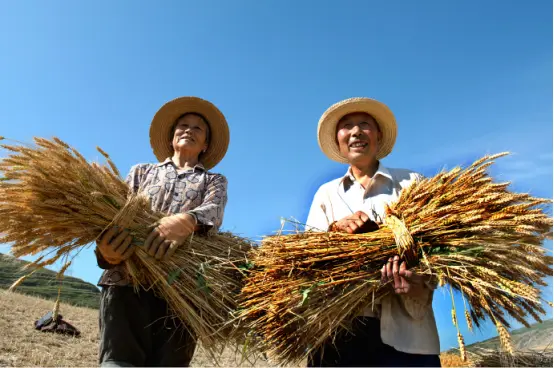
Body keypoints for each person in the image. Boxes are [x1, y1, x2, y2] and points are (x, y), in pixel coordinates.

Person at [94, 96, 230, 367]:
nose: (188, 130)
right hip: (125, 280)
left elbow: (214, 211)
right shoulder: (141, 172)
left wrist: (187, 221)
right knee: (119, 362)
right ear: (171, 138)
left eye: (197, 128)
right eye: (182, 125)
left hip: (182, 288)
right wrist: (105, 252)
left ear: (205, 145)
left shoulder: (213, 180)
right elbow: (113, 216)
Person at [305, 97, 441, 367]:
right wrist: (335, 231)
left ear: (378, 136)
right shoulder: (326, 194)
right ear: (339, 140)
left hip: (406, 333)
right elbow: (308, 260)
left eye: (364, 124)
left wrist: (415, 278)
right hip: (339, 331)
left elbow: (439, 251)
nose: (356, 131)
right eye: (347, 126)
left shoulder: (412, 183)